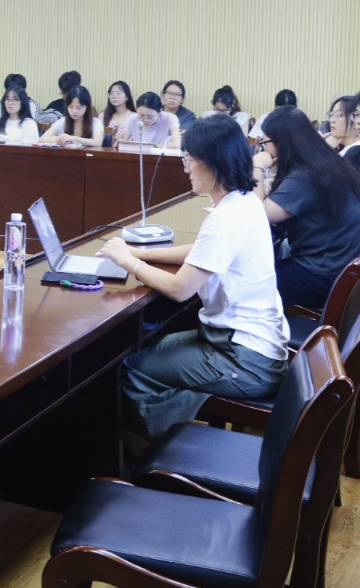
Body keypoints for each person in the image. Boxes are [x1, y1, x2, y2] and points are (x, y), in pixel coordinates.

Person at [96, 115, 289, 439]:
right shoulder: (244, 201)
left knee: (134, 369)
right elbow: (202, 250)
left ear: (212, 163)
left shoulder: (226, 217)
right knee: (159, 345)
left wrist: (127, 261)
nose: (185, 167)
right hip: (253, 345)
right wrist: (140, 253)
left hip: (244, 359)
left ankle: (161, 448)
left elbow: (179, 289)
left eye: (189, 159)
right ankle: (181, 423)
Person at [252, 107, 360, 309]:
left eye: (265, 143)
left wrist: (257, 167)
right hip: (341, 269)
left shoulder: (305, 175)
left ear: (282, 143)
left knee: (249, 284)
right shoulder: (324, 161)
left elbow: (259, 214)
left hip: (322, 275)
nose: (265, 150)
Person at [39, 85, 104, 148]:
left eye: (79, 108)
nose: (74, 111)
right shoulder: (63, 121)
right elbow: (41, 139)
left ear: (87, 107)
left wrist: (73, 138)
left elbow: (97, 142)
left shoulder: (96, 122)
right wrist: (62, 139)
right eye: (71, 107)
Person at [115, 92, 181, 149]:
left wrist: (151, 147)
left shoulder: (170, 118)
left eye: (150, 117)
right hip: (138, 156)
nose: (145, 119)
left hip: (162, 157)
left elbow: (176, 145)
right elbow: (119, 146)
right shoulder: (133, 119)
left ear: (160, 111)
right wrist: (120, 139)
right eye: (141, 115)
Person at [100, 81, 135, 147]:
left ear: (127, 97)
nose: (114, 96)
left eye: (118, 93)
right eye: (111, 93)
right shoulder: (103, 115)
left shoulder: (133, 117)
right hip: (104, 151)